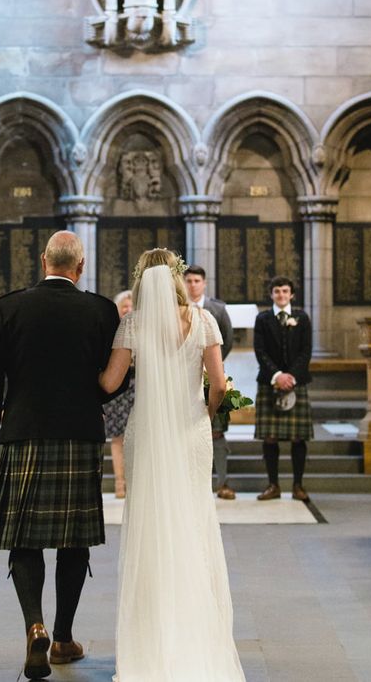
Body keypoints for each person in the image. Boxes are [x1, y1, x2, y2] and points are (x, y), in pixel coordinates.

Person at [0, 231, 122, 680]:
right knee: (73, 539)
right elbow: (113, 379)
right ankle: (61, 638)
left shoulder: (10, 306)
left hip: (23, 434)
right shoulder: (101, 310)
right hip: (79, 437)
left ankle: (33, 623)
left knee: (25, 537)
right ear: (81, 266)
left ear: (43, 261)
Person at [99, 248, 245, 682]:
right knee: (194, 520)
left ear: (143, 281)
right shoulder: (204, 321)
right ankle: (197, 638)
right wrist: (209, 410)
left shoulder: (134, 322)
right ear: (180, 279)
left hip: (146, 429)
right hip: (191, 430)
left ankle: (150, 645)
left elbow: (109, 382)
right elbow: (218, 385)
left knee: (150, 522)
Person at [253, 276, 313, 501]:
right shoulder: (263, 319)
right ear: (271, 294)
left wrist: (291, 377)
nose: (281, 295)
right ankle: (273, 485)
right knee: (270, 437)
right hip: (270, 381)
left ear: (292, 295)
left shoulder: (302, 318)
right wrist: (277, 376)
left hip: (297, 382)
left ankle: (298, 485)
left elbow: (306, 351)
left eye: (285, 291)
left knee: (298, 437)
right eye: (277, 291)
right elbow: (260, 351)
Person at [184, 264, 236, 499]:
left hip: (211, 376)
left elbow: (228, 339)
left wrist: (211, 367)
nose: (193, 285)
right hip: (184, 379)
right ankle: (193, 484)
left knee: (216, 431)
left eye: (197, 281)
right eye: (189, 281)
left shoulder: (218, 308)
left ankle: (222, 482)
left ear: (204, 283)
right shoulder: (178, 308)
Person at [102, 290, 135, 499]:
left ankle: (135, 482)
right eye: (124, 307)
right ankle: (120, 483)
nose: (128, 310)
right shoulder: (111, 330)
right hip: (117, 390)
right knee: (118, 438)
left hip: (137, 385)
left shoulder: (143, 329)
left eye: (131, 307)